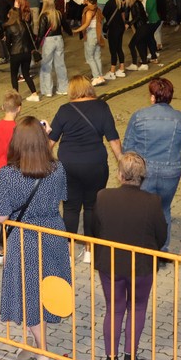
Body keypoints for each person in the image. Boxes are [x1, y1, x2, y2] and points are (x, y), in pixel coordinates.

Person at [0, 116, 71, 360]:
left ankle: (42, 351)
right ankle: (35, 342)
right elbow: (61, 197)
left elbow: (1, 216)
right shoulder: (58, 169)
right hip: (54, 235)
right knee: (45, 290)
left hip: (25, 239)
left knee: (30, 293)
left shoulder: (8, 174)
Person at [92, 152, 164, 360]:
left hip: (110, 264)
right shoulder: (152, 201)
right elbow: (161, 236)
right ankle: (130, 359)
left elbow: (95, 230)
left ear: (119, 175)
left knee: (114, 309)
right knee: (137, 308)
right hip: (141, 266)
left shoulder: (103, 196)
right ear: (142, 177)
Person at [121, 77, 181, 252]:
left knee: (141, 209)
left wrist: (127, 171)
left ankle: (140, 248)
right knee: (164, 209)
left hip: (143, 171)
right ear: (170, 97)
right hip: (170, 173)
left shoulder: (139, 116)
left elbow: (128, 147)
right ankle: (162, 249)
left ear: (152, 97)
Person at [49, 75, 122, 262]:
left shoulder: (65, 110)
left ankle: (68, 251)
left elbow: (50, 141)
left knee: (70, 208)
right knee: (91, 206)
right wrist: (121, 162)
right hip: (95, 165)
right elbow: (113, 139)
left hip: (68, 166)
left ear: (72, 90)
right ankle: (90, 251)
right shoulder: (102, 107)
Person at [0, 90, 21, 263]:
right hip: (14, 173)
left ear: (2, 107)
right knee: (15, 210)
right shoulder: (19, 129)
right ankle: (13, 247)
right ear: (19, 109)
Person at [3, 9, 40, 101]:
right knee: (26, 74)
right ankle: (34, 94)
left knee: (14, 75)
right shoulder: (25, 24)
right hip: (26, 52)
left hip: (15, 53)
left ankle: (16, 97)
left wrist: (10, 51)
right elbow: (31, 37)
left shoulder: (9, 27)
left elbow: (8, 43)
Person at [37, 0, 69, 97]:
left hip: (48, 41)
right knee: (60, 65)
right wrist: (71, 32)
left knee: (46, 65)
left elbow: (41, 33)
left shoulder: (44, 16)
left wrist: (36, 45)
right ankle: (63, 88)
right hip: (59, 39)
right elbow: (66, 26)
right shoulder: (58, 14)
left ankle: (47, 90)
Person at [75, 0, 106, 86]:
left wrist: (77, 30)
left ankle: (96, 77)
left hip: (91, 34)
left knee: (90, 57)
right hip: (98, 33)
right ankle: (100, 76)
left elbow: (86, 24)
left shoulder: (89, 10)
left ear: (88, 0)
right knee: (97, 56)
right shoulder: (97, 9)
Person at [102, 0, 127, 78]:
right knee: (119, 47)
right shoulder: (119, 2)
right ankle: (121, 68)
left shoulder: (109, 3)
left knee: (113, 49)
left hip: (113, 28)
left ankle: (112, 71)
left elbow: (103, 15)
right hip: (120, 27)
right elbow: (123, 14)